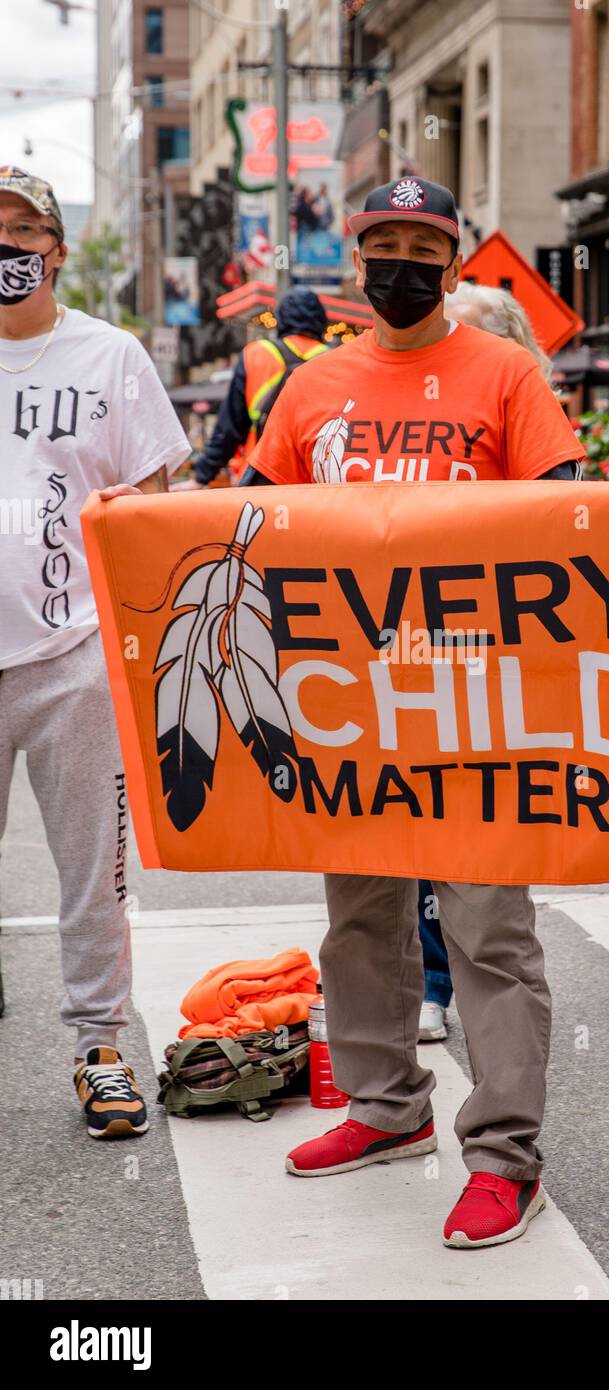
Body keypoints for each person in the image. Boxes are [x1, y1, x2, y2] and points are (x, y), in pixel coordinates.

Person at [241, 177, 585, 1248]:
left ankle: (502, 1155)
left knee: (484, 927)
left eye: (419, 243)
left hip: (473, 695)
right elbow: (252, 517)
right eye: (379, 242)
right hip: (352, 700)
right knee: (361, 918)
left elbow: (568, 510)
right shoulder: (311, 389)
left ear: (450, 262)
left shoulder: (504, 372)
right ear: (355, 260)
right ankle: (386, 1110)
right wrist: (142, 518)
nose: (397, 260)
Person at [0, 166, 191, 1136]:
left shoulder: (109, 356)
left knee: (91, 871)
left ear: (57, 247)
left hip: (73, 650)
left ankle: (99, 1047)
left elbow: (159, 498)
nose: (7, 245)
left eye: (23, 228)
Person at [415, 281, 560, 1044]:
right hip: (400, 658)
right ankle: (429, 983)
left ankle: (478, 995)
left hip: (488, 658)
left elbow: (563, 522)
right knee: (406, 834)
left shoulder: (519, 404)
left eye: (463, 334)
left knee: (477, 844)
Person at [191, 287, 329, 487]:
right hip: (318, 485)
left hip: (261, 482)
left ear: (280, 319)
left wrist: (201, 476)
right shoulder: (335, 358)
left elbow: (229, 429)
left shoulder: (255, 354)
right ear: (321, 321)